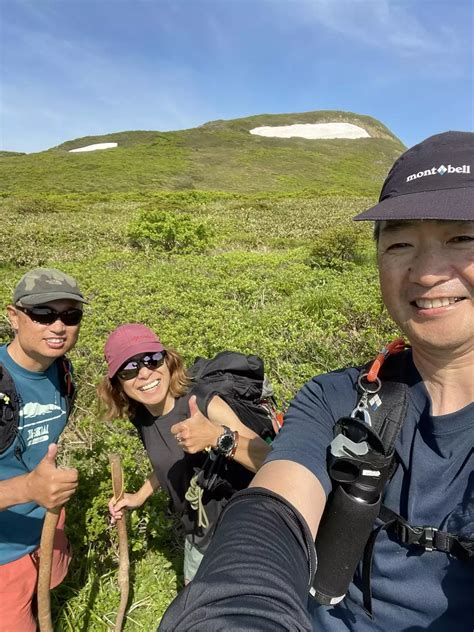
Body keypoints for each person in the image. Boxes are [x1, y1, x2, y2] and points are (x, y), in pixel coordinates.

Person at [158, 130, 474, 631]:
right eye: (400, 243)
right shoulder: (336, 397)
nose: (429, 272)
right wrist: (229, 612)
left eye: (462, 238)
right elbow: (278, 501)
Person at [98, 323, 271, 584]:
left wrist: (216, 437)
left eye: (151, 359)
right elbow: (168, 461)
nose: (144, 373)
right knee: (195, 595)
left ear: (168, 362)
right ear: (118, 385)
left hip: (241, 527)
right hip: (198, 530)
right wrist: (139, 496)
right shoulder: (141, 414)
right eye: (129, 369)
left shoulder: (203, 402)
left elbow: (269, 460)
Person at [0, 268, 85, 632]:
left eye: (70, 315)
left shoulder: (61, 372)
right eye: (44, 314)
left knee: (46, 591)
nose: (58, 326)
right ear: (13, 316)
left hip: (46, 530)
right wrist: (27, 490)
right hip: (3, 557)